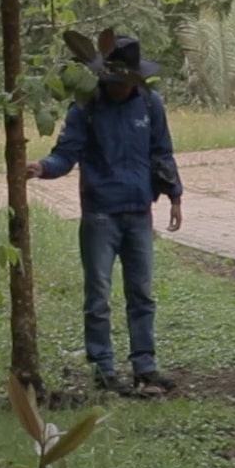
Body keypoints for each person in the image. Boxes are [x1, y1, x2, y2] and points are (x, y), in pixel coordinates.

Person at [27, 36, 184, 395]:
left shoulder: (149, 103)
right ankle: (103, 370)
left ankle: (145, 366)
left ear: (136, 79)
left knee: (141, 293)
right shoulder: (85, 108)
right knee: (98, 295)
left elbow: (162, 152)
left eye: (125, 81)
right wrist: (43, 167)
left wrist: (175, 194)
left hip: (138, 212)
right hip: (100, 213)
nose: (119, 87)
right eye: (113, 81)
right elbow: (67, 153)